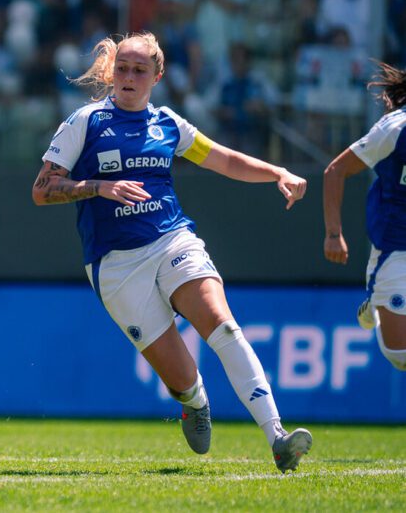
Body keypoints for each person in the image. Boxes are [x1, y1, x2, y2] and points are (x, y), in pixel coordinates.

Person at [32, 32, 313, 473]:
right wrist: (98, 187)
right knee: (181, 378)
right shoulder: (84, 122)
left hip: (173, 241)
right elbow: (42, 190)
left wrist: (277, 171)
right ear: (111, 72)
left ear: (157, 76)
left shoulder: (168, 124)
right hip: (116, 265)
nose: (128, 77)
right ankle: (195, 401)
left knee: (222, 325)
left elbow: (223, 159)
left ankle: (277, 436)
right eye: (121, 68)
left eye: (139, 70)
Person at [323, 61, 406, 371]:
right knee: (399, 355)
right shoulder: (394, 129)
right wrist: (334, 234)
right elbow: (336, 170)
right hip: (396, 248)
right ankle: (375, 300)